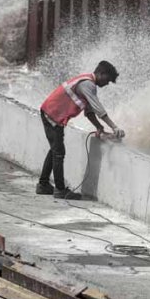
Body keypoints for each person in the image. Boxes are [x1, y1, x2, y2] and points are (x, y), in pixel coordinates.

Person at [37, 60, 124, 199]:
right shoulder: (88, 84)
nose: (107, 84)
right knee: (59, 153)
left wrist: (99, 127)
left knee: (55, 150)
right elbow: (98, 108)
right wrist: (114, 127)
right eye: (108, 80)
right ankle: (60, 190)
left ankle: (43, 185)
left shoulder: (87, 82)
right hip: (52, 115)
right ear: (101, 74)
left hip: (52, 113)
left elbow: (89, 112)